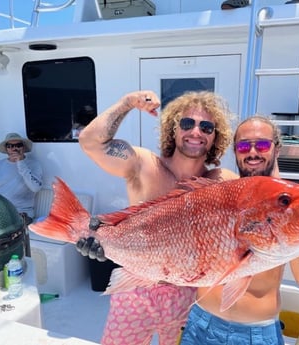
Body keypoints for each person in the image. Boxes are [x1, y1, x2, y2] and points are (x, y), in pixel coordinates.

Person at [77, 90, 238, 345]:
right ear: (173, 129)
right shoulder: (143, 165)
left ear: (215, 137)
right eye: (187, 123)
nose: (196, 132)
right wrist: (127, 103)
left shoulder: (222, 182)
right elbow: (90, 142)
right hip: (135, 290)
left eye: (206, 127)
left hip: (191, 295)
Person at [180, 115, 299, 345]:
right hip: (201, 325)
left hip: (255, 335)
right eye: (244, 145)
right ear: (236, 152)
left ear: (277, 150)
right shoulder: (221, 192)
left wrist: (284, 209)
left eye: (263, 145)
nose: (253, 152)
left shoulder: (292, 202)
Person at [0, 132, 43, 225]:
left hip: (22, 214)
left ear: (23, 147)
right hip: (0, 212)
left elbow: (35, 187)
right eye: (10, 146)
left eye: (18, 145)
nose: (14, 148)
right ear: (6, 149)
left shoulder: (34, 165)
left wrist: (20, 163)